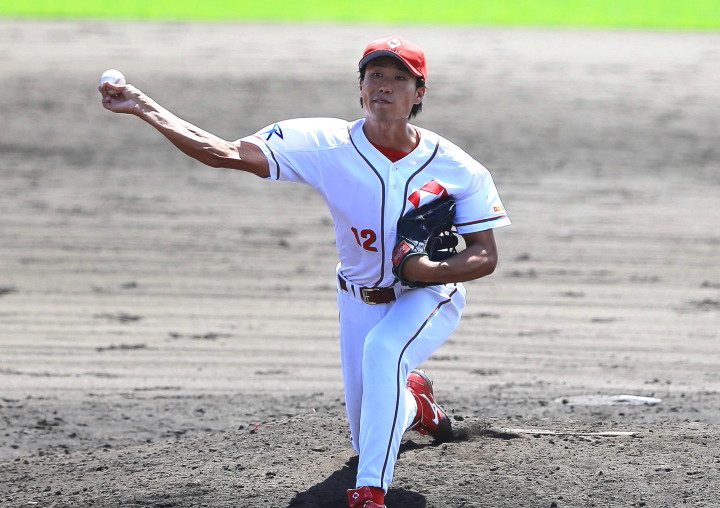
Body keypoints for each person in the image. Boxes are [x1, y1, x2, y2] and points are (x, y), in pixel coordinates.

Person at [99, 34, 511, 508]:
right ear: (360, 87)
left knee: (383, 351)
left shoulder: (459, 169)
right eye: (375, 74)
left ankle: (369, 491)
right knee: (367, 430)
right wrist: (143, 106)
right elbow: (222, 152)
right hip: (357, 298)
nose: (384, 85)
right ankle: (416, 404)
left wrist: (427, 268)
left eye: (400, 78)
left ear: (419, 93)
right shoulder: (324, 144)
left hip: (429, 296)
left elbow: (485, 255)